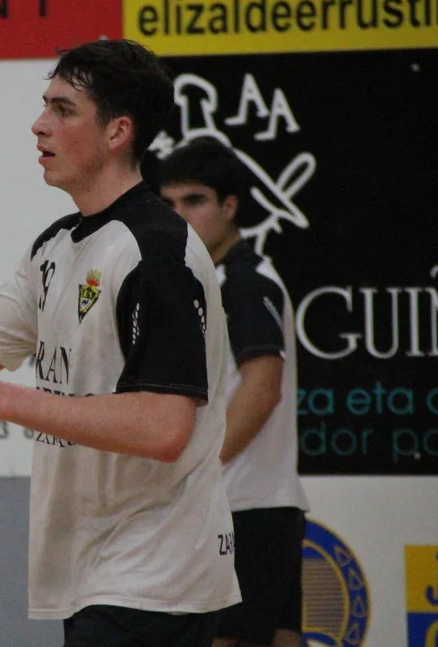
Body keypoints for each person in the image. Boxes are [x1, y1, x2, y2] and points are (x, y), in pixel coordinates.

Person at [0, 39, 240, 646]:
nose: (39, 124)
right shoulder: (57, 245)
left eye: (62, 109)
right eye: (44, 105)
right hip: (98, 570)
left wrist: (5, 400)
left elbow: (164, 426)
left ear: (117, 132)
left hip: (154, 573)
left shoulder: (156, 249)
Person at [143, 135, 309, 647]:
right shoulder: (218, 279)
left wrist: (201, 469)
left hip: (242, 507)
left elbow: (262, 387)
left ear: (230, 205)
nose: (180, 216)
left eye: (194, 201)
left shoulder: (244, 281)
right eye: (169, 203)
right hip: (262, 506)